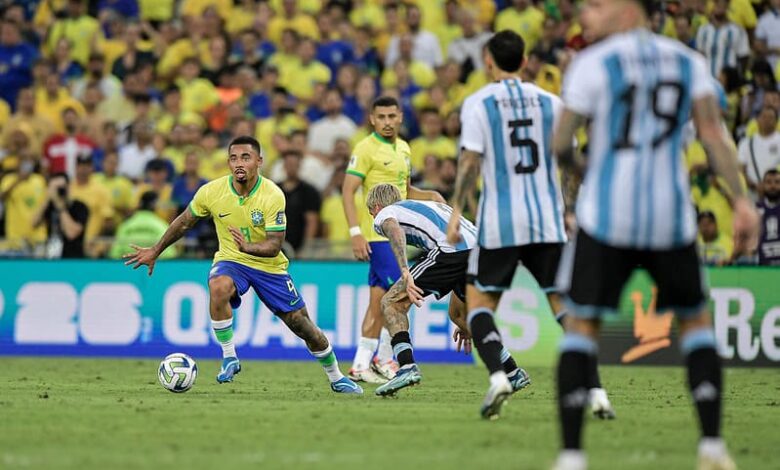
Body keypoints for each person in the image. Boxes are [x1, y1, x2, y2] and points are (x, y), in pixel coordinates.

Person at [550, 0, 760, 467]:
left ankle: (571, 456)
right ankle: (711, 445)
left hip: (606, 216)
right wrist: (742, 201)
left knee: (582, 325)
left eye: (597, 4)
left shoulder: (591, 63)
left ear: (628, 9)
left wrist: (582, 170)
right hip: (671, 218)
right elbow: (713, 134)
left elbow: (562, 142)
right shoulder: (689, 62)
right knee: (696, 324)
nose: (586, 12)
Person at [445, 30, 610, 420]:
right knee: (562, 307)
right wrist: (569, 209)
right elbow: (569, 161)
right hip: (546, 221)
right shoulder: (553, 103)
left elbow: (469, 162)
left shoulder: (478, 103)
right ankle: (597, 390)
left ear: (488, 61)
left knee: (481, 304)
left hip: (500, 222)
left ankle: (499, 377)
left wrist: (455, 213)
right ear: (524, 61)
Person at [123, 136, 362, 394]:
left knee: (302, 325)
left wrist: (248, 247)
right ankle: (229, 357)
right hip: (232, 260)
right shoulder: (211, 192)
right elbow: (184, 222)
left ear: (259, 161)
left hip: (269, 267)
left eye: (245, 157)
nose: (239, 163)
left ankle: (336, 376)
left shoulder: (272, 195)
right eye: (234, 158)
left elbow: (274, 245)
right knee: (218, 287)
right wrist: (156, 250)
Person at [365, 184, 531, 398]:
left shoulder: (386, 213)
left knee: (392, 302)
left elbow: (393, 229)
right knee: (460, 316)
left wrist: (405, 271)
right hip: (479, 250)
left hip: (452, 252)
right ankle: (512, 371)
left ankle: (406, 367)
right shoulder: (428, 205)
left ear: (377, 206)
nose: (371, 217)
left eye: (370, 212)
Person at [342, 95, 445, 383]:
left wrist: (431, 196)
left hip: (400, 232)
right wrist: (355, 232)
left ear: (400, 117)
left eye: (392, 116)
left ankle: (362, 364)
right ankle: (385, 358)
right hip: (379, 234)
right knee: (400, 296)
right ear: (372, 119)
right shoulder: (365, 149)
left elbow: (406, 190)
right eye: (381, 117)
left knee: (378, 300)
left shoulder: (404, 148)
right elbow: (348, 190)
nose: (387, 122)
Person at [32, 172, 89, 259]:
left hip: (73, 258)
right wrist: (47, 198)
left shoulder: (80, 207)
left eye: (61, 187)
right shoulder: (50, 205)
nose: (59, 190)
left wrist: (60, 207)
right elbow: (33, 223)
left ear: (68, 187)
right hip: (52, 256)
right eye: (56, 188)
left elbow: (72, 234)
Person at [110, 191, 177, 260]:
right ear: (155, 205)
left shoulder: (125, 226)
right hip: (153, 266)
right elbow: (169, 254)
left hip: (128, 265)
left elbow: (115, 253)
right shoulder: (161, 225)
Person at [278, 150, 321, 253]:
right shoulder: (274, 189)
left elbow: (312, 221)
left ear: (299, 166)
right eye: (288, 164)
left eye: (294, 164)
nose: (291, 167)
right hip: (276, 245)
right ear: (284, 166)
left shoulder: (309, 191)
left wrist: (306, 248)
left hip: (299, 248)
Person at [757, 169, 780, 265]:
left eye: (777, 182)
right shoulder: (756, 209)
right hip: (764, 269)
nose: (773, 186)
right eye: (769, 182)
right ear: (762, 185)